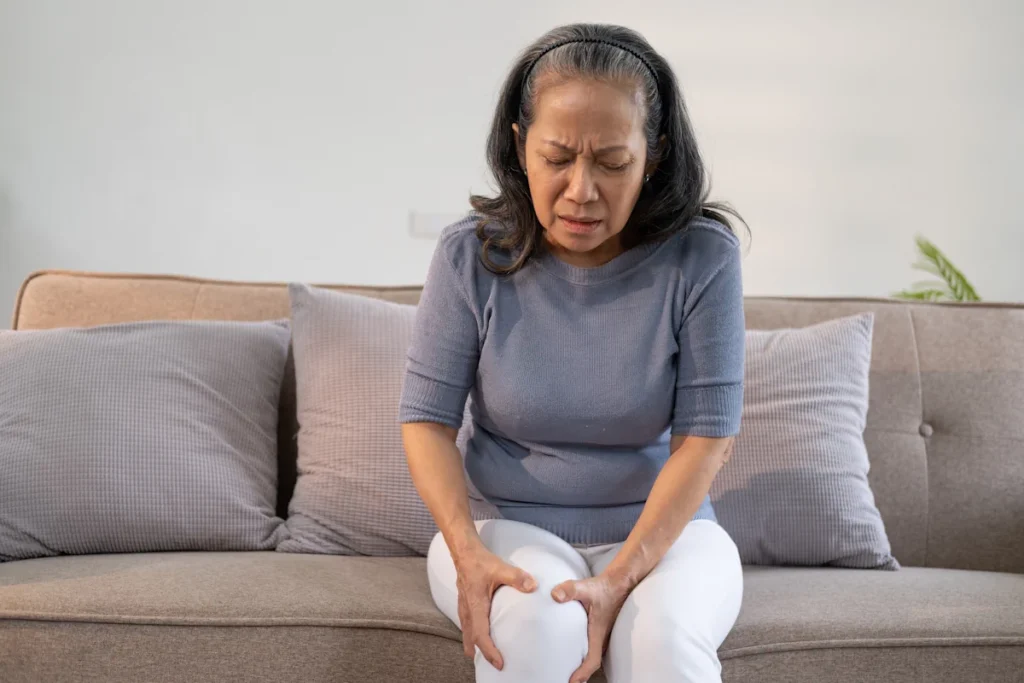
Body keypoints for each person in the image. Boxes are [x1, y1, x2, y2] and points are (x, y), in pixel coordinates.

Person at [399, 22, 746, 683]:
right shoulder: (467, 256)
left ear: (654, 154)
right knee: (536, 628)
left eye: (612, 162)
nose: (582, 190)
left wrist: (622, 575)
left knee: (664, 642)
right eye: (557, 158)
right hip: (506, 527)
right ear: (520, 145)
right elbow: (427, 422)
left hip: (667, 536)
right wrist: (466, 549)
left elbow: (706, 441)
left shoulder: (702, 257)